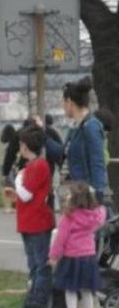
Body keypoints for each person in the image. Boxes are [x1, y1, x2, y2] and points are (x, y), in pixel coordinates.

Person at [5, 125, 55, 308]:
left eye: (20, 143)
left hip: (37, 222)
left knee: (40, 265)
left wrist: (18, 179)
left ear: (25, 146)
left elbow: (26, 195)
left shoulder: (37, 166)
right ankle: (32, 300)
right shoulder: (34, 166)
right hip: (30, 222)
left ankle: (39, 303)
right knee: (34, 265)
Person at [49, 181, 105, 308]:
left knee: (70, 288)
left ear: (74, 199)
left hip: (72, 257)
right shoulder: (94, 216)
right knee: (87, 289)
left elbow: (60, 239)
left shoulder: (69, 217)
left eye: (68, 194)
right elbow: (102, 211)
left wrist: (53, 256)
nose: (66, 196)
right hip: (89, 256)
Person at [47, 77, 108, 209]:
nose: (63, 107)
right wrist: (44, 136)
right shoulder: (76, 127)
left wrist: (97, 197)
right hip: (76, 195)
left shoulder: (91, 126)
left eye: (63, 102)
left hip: (86, 198)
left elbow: (97, 162)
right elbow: (64, 156)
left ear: (69, 102)